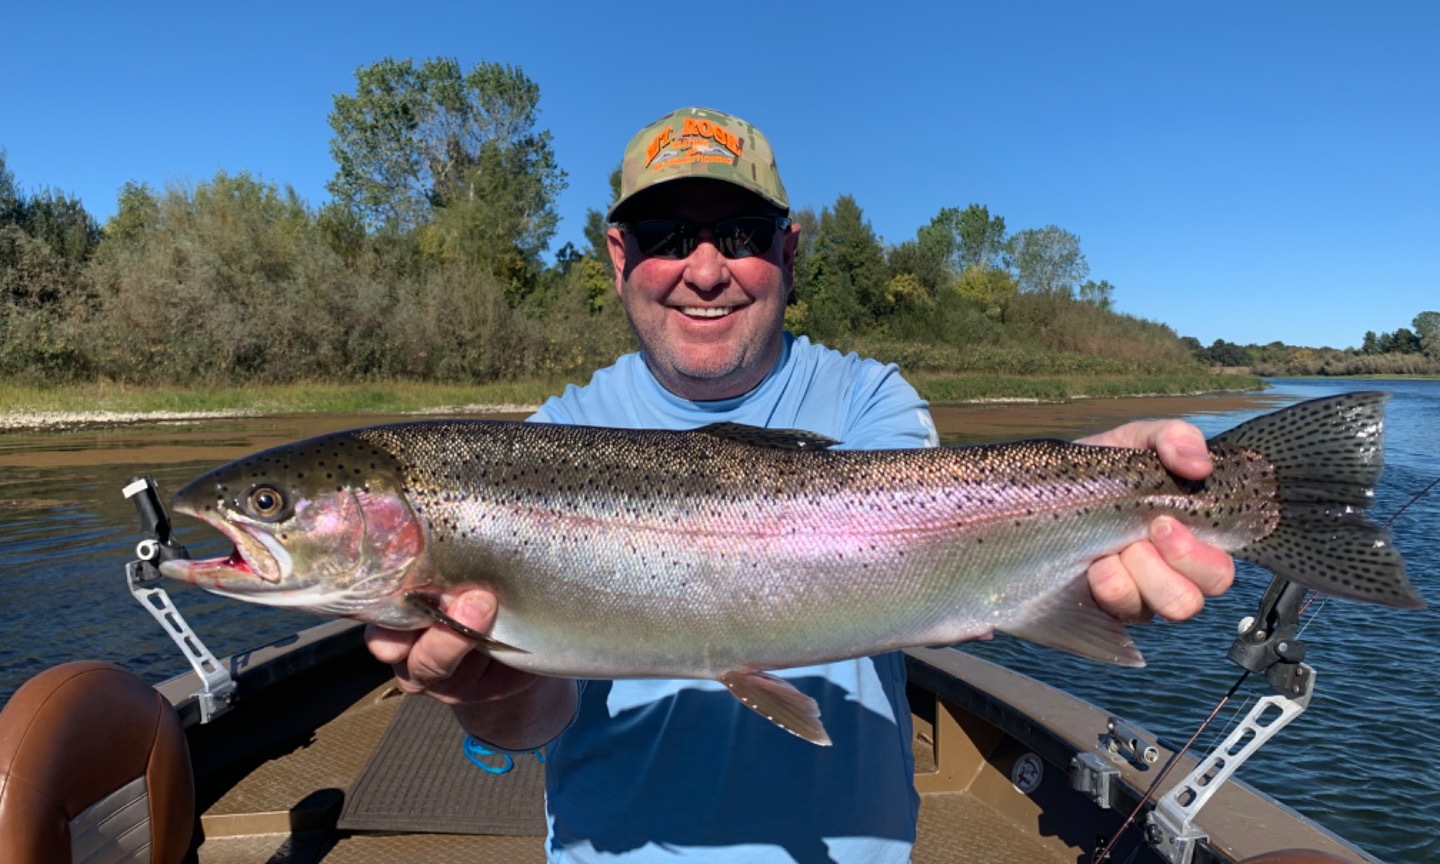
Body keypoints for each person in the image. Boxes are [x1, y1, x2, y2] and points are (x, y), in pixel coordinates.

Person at [365, 107, 1235, 863]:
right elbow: (534, 722)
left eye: (739, 235)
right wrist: (493, 695)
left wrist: (1117, 488)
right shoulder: (542, 446)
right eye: (668, 236)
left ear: (788, 249)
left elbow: (943, 563)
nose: (705, 271)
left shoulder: (870, 401)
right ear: (619, 255)